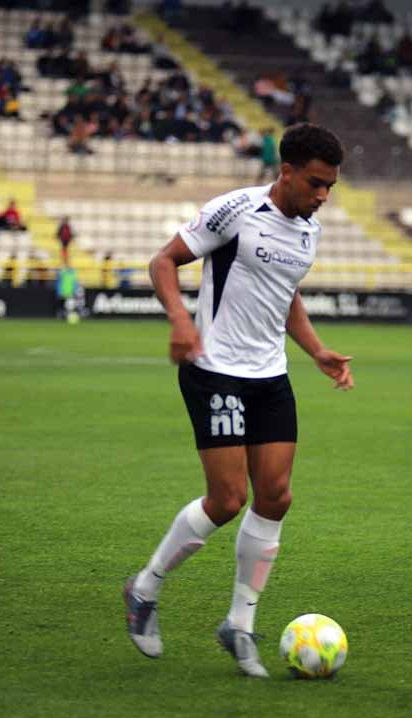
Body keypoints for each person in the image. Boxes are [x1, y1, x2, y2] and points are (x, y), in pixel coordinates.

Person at [122, 123, 354, 678]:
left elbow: (285, 295)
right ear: (288, 171)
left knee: (275, 496)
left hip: (269, 376)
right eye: (317, 184)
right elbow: (163, 262)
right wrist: (181, 322)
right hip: (214, 370)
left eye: (331, 187)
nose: (323, 196)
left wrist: (317, 350)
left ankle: (239, 625)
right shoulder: (236, 211)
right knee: (227, 499)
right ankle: (144, 588)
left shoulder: (308, 231)